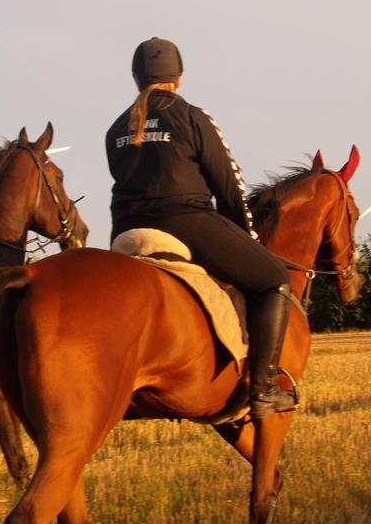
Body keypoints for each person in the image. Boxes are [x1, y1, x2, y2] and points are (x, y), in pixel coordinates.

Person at [105, 37, 297, 419]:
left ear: (135, 78)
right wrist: (245, 239)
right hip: (185, 221)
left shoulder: (114, 129)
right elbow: (229, 185)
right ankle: (262, 389)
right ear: (179, 77)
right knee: (274, 278)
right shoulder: (192, 116)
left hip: (125, 230)